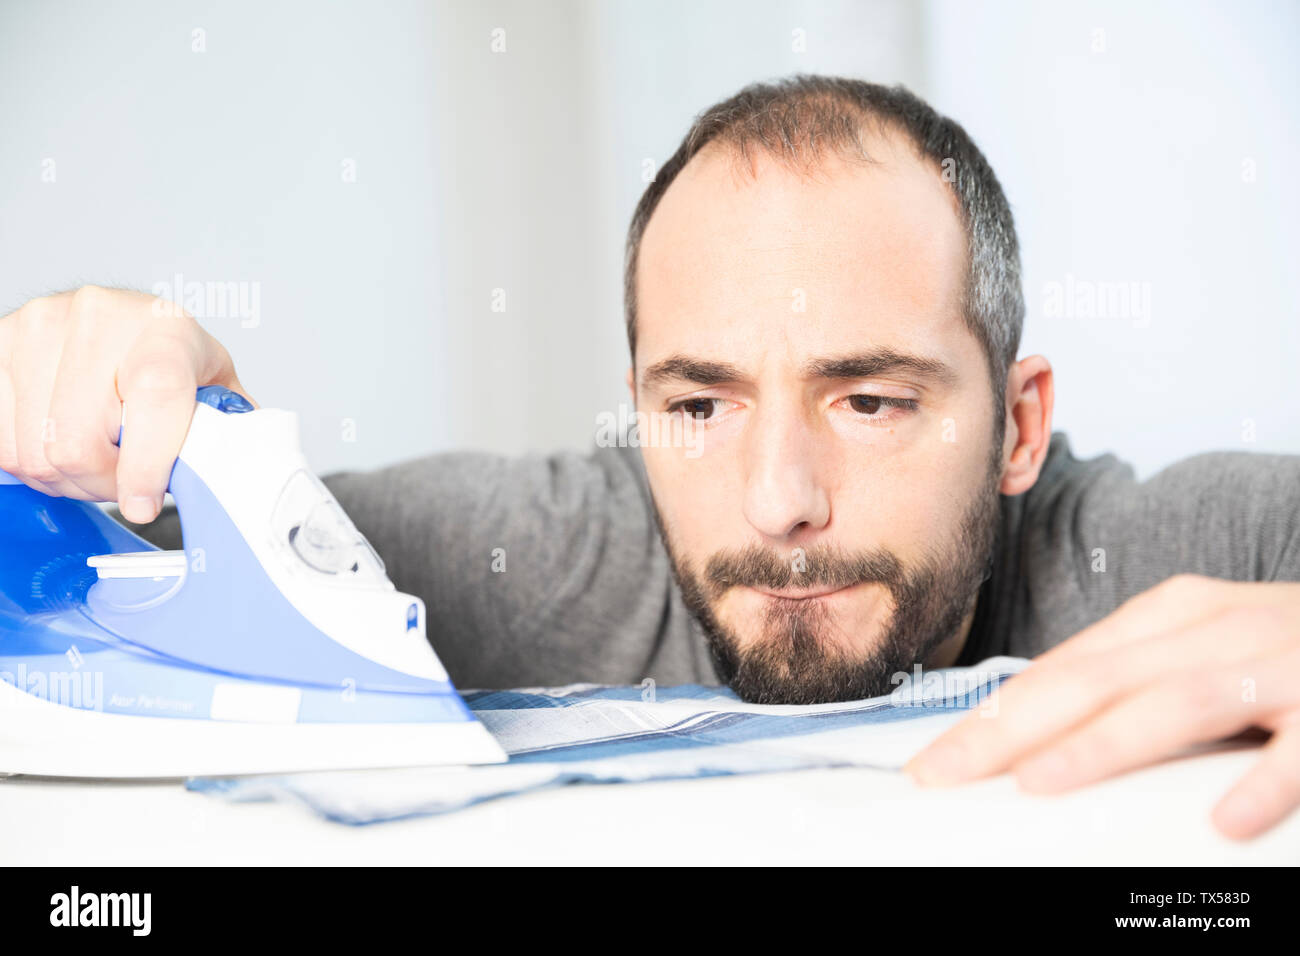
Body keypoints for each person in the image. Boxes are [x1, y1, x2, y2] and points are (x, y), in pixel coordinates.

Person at [2, 76, 1296, 840]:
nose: (779, 501)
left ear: (1018, 425)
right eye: (698, 408)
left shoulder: (1194, 561)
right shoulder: (521, 564)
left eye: (870, 402)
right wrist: (83, 410)